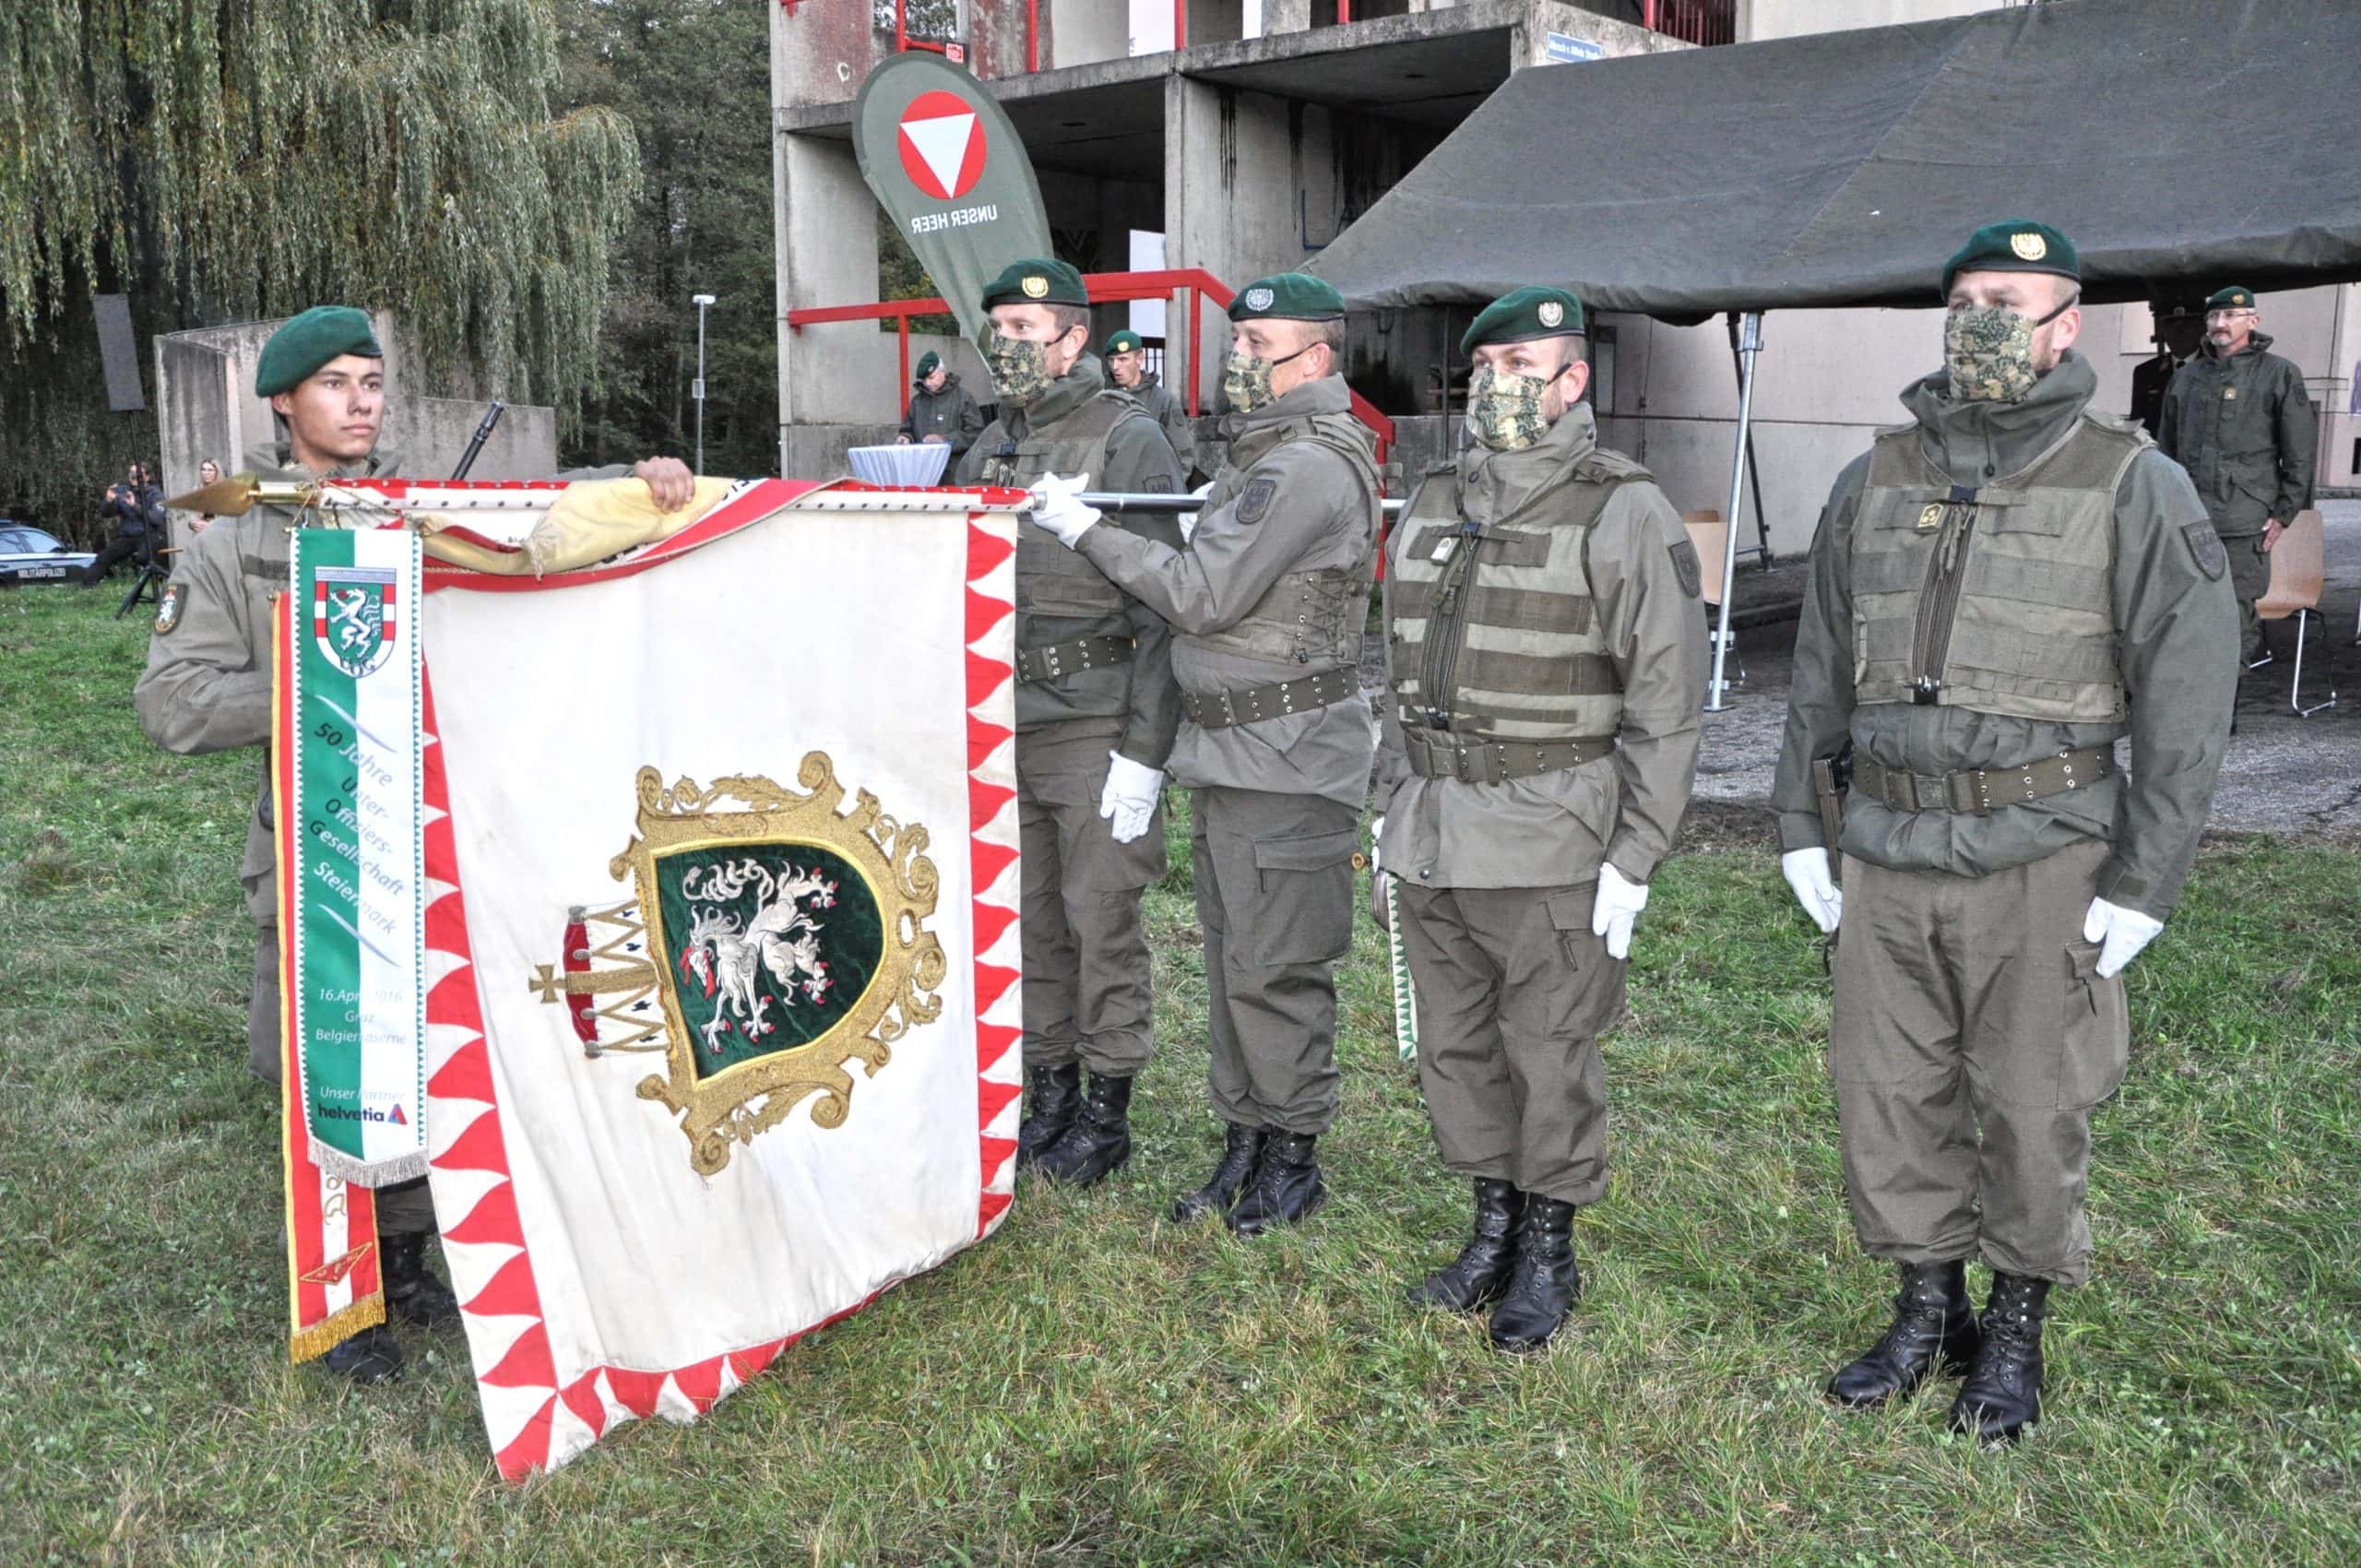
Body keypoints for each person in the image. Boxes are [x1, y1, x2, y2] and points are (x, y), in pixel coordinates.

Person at [134, 305, 694, 1384]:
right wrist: (322, 681)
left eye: (372, 383)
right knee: (335, 1067)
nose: (361, 404)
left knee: (439, 1055)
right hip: (322, 848)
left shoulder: (426, 514)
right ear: (283, 401)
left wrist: (641, 479)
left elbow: (547, 519)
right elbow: (171, 704)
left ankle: (410, 1257)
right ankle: (343, 1294)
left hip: (454, 841)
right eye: (335, 384)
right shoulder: (237, 543)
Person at [1773, 222, 2235, 1443]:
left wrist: (2146, 878)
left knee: (2034, 1103)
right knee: (1886, 1093)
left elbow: (2188, 698)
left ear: (2066, 325)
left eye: (2012, 301)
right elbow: (1819, 667)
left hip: (2045, 850)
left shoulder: (2131, 482)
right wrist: (1800, 824)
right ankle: (1929, 1308)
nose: (1984, 318)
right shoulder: (1872, 478)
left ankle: (2016, 1324)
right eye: (1967, 297)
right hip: (1887, 845)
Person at [1371, 286, 1706, 1353]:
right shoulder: (1434, 496)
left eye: (1521, 366)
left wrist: (1636, 854)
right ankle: (1492, 1229)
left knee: (1548, 1049)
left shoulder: (1623, 509)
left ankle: (1548, 1249)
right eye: (1485, 367)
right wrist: (1389, 806)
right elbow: (1397, 666)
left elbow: (1667, 704)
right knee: (1456, 1047)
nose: (1497, 385)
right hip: (1435, 827)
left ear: (1572, 381)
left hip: (1552, 834)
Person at [1026, 273, 1380, 1236]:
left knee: (1277, 967)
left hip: (1288, 755)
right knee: (1233, 963)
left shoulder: (1304, 464)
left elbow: (1200, 592)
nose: (1240, 361)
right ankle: (1245, 1141)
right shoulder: (1264, 454)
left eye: (1260, 347)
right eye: (1238, 343)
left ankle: (1292, 1156)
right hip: (1236, 749)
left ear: (1315, 358)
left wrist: (1088, 530)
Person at [951, 261, 1186, 1188]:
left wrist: (1145, 752)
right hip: (1005, 724)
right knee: (1028, 923)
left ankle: (1105, 1110)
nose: (1004, 343)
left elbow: (1164, 606)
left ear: (1071, 338)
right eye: (997, 327)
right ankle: (1047, 1091)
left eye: (1022, 327)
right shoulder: (988, 446)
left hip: (1094, 721)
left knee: (1101, 921)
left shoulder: (1126, 438)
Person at [2156, 286, 2317, 668]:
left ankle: (2226, 697)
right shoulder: (2186, 378)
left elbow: (2300, 453)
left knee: (2233, 614)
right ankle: (2189, 693)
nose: (2220, 323)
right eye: (2214, 316)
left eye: (2230, 316)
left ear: (2253, 321)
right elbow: (2165, 452)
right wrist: (2161, 507)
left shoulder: (2279, 374)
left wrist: (2284, 513)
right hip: (2189, 515)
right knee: (2183, 612)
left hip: (2244, 520)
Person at [1102, 329, 1199, 483]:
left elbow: (1183, 454)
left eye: (1123, 359)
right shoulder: (1104, 400)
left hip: (1151, 489)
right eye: (1111, 360)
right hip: (1113, 488)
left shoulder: (1163, 401)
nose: (1115, 366)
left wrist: (1169, 490)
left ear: (1140, 358)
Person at [896, 351, 984, 468]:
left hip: (955, 470)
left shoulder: (963, 398)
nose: (927, 383)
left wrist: (944, 440)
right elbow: (907, 429)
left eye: (931, 377)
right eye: (924, 380)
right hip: (923, 468)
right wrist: (906, 438)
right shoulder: (917, 402)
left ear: (943, 372)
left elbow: (975, 434)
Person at [83, 460, 162, 584]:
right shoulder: (124, 492)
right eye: (131, 473)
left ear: (147, 477)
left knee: (144, 557)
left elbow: (156, 519)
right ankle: (87, 586)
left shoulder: (155, 494)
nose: (133, 476)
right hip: (128, 536)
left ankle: (162, 579)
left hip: (149, 535)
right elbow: (105, 513)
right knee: (104, 557)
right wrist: (109, 500)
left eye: (138, 474)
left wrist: (134, 505)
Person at [186, 458, 223, 536]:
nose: (206, 473)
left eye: (210, 470)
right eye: (203, 469)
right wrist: (192, 524)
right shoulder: (196, 490)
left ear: (217, 472)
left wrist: (210, 525)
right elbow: (191, 516)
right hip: (200, 535)